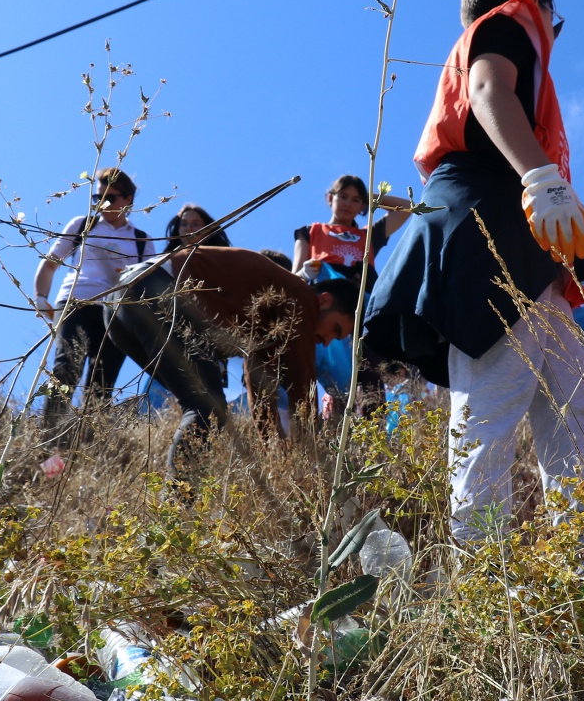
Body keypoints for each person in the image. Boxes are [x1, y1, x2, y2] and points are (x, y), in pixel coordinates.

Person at [364, 0, 584, 539]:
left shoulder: (501, 29)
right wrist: (541, 177)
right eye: (555, 19)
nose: (551, 31)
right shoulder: (510, 21)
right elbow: (488, 88)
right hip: (490, 232)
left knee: (574, 416)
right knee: (489, 419)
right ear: (537, 2)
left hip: (522, 249)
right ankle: (484, 594)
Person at [105, 246, 358, 477]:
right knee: (206, 408)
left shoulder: (270, 322)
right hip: (155, 289)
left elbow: (259, 391)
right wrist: (318, 463)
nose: (327, 342)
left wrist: (279, 455)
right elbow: (302, 386)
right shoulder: (302, 297)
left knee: (205, 406)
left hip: (119, 304)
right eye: (335, 329)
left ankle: (178, 501)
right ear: (324, 300)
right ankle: (178, 507)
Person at [33, 168, 150, 434]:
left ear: (128, 199)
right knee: (65, 370)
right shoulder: (83, 225)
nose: (102, 204)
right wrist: (41, 297)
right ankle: (49, 440)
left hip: (116, 314)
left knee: (102, 384)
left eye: (110, 198)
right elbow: (50, 262)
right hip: (76, 303)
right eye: (98, 198)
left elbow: (148, 286)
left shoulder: (142, 241)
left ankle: (87, 447)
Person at [292, 175, 412, 284]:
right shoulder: (309, 232)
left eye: (355, 200)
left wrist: (368, 196)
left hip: (358, 303)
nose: (348, 204)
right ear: (330, 198)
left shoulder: (369, 236)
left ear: (362, 206)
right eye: (343, 196)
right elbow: (291, 280)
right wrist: (303, 274)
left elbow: (407, 207)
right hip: (322, 299)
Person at [164, 202, 231, 254]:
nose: (189, 228)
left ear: (208, 230)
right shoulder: (165, 262)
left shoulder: (221, 258)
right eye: (184, 224)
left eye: (195, 224)